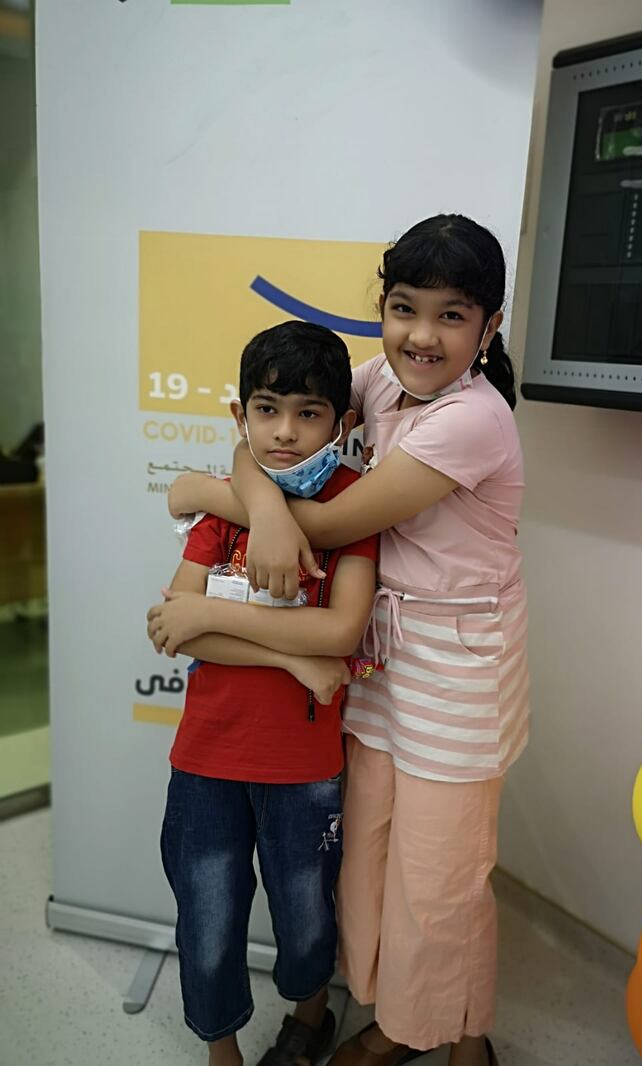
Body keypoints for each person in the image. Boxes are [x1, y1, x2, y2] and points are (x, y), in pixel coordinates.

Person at [167, 215, 530, 1066]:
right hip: (375, 658)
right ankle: (401, 1017)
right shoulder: (379, 380)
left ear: (489, 329)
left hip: (458, 671)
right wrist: (251, 499)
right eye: (406, 308)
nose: (422, 335)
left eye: (452, 315)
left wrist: (210, 493)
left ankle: (451, 1034)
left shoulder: (472, 419)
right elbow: (271, 438)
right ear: (383, 308)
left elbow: (328, 516)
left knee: (441, 874)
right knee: (365, 859)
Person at [146, 321, 379, 1066]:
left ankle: (310, 1019)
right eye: (268, 409)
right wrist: (289, 661)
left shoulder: (352, 507)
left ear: (342, 423)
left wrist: (216, 614)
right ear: (241, 415)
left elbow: (340, 632)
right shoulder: (224, 508)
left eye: (309, 412)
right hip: (207, 760)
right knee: (207, 918)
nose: (285, 432)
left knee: (308, 916)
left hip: (305, 770)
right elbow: (174, 629)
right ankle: (223, 1050)